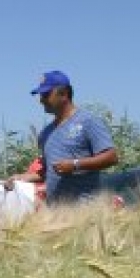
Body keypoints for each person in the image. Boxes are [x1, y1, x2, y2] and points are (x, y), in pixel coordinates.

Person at [31, 70, 118, 204]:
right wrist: (21, 178)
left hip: (86, 213)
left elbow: (111, 157)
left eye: (46, 94)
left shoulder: (88, 121)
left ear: (64, 94)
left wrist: (75, 165)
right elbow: (46, 172)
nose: (41, 100)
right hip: (56, 216)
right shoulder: (45, 133)